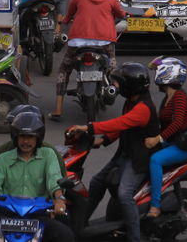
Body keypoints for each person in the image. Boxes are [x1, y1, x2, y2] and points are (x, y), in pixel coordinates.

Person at [66, 63, 160, 242]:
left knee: (125, 195)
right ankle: (80, 225)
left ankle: (134, 237)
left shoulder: (143, 108)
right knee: (96, 183)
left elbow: (120, 123)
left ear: (130, 85)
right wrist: (104, 140)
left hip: (138, 160)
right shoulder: (131, 101)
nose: (115, 86)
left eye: (119, 83)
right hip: (124, 155)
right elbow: (124, 127)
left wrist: (88, 127)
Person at [0, 110, 71, 242]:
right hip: (8, 215)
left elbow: (54, 180)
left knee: (66, 234)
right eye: (22, 136)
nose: (25, 141)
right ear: (15, 137)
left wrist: (59, 200)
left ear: (38, 137)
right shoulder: (4, 158)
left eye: (30, 137)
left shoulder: (48, 155)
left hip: (40, 214)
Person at [52, 0, 126, 120]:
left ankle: (58, 109)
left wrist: (63, 23)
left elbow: (69, 15)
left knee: (64, 70)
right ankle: (113, 88)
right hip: (105, 43)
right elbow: (121, 14)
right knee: (112, 66)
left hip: (78, 43)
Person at [143, 58, 187, 219]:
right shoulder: (168, 96)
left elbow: (178, 123)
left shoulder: (179, 96)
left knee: (155, 160)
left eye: (159, 71)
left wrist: (158, 139)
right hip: (173, 141)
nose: (156, 74)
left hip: (183, 146)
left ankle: (155, 205)